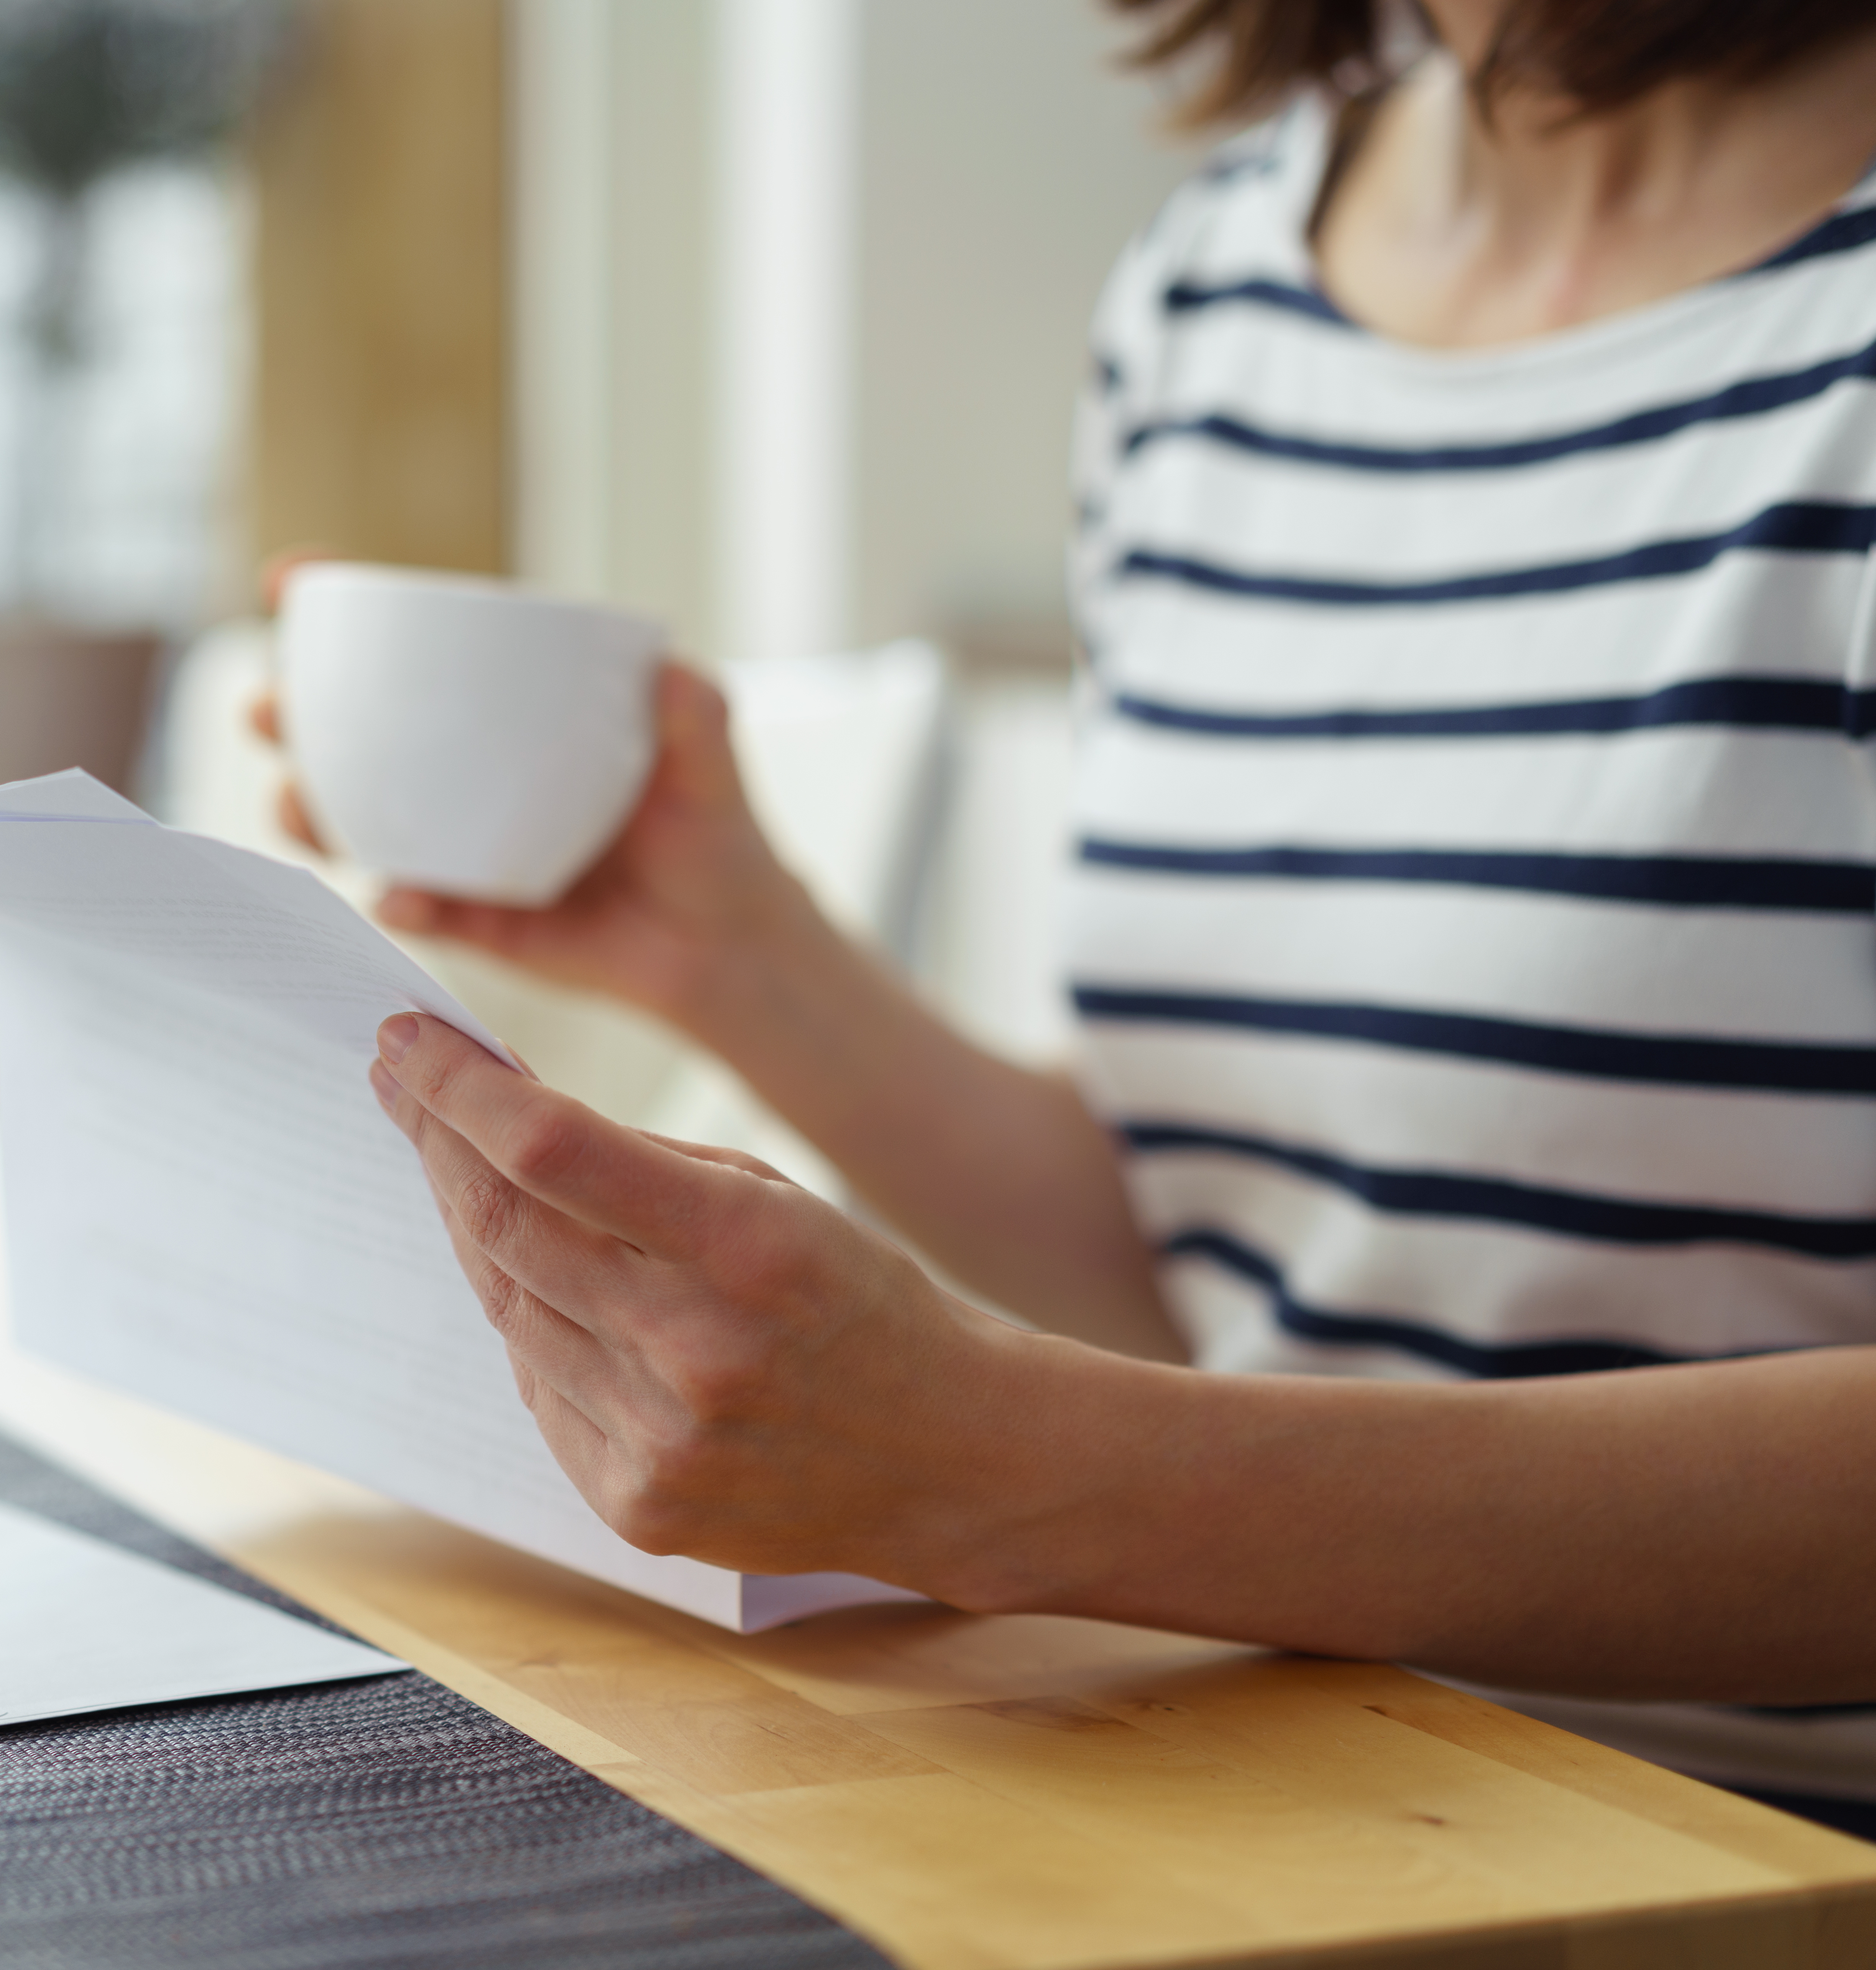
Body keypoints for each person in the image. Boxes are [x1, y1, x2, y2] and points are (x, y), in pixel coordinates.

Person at [268, 0, 1876, 1827]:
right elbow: (1249, 1291)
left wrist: (1027, 1476)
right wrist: (736, 951)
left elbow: (1162, 1444)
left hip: (1740, 1866)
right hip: (1316, 1783)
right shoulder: (1217, 294)